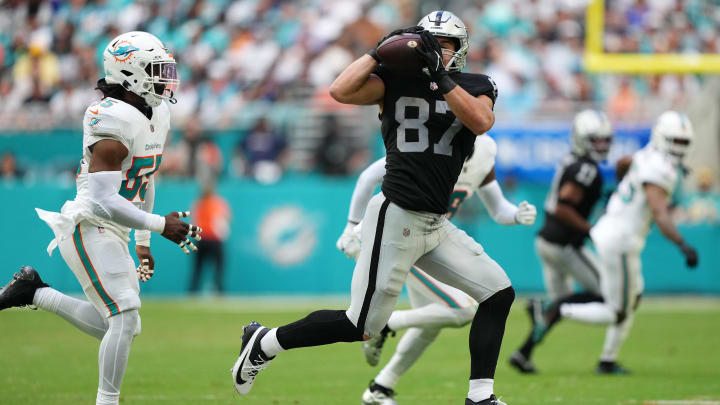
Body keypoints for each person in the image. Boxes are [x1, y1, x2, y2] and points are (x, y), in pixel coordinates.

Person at [230, 11, 511, 405]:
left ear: (460, 49)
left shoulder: (477, 85)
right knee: (360, 325)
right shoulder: (395, 80)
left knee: (498, 293)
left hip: (435, 222)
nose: (437, 51)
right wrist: (377, 53)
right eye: (430, 43)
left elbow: (481, 121)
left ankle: (480, 396)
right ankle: (266, 342)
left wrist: (440, 76)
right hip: (396, 215)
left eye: (445, 44)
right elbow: (339, 91)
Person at [0, 31, 201, 405]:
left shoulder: (156, 111)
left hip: (117, 229)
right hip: (88, 223)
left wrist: (143, 243)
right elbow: (104, 199)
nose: (166, 80)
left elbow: (146, 176)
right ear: (130, 73)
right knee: (124, 315)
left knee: (126, 323)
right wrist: (159, 224)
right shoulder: (110, 117)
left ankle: (35, 292)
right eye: (157, 71)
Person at [335, 134, 537, 405]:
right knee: (461, 308)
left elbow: (497, 207)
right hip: (402, 237)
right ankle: (386, 325)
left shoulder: (485, 150)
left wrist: (514, 215)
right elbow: (368, 177)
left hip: (433, 240)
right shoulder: (434, 139)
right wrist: (351, 225)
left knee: (429, 324)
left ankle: (380, 388)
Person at [522, 111, 699, 374]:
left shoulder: (647, 154)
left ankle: (606, 358)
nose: (679, 147)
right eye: (675, 141)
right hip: (613, 241)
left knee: (632, 298)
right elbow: (660, 213)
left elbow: (625, 164)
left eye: (684, 143)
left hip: (606, 234)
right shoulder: (656, 167)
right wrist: (682, 243)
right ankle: (556, 310)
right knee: (616, 310)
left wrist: (623, 191)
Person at [509, 110, 613, 373]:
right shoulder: (586, 169)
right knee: (606, 293)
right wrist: (591, 230)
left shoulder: (573, 161)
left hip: (548, 241)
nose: (601, 145)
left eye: (604, 140)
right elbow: (563, 207)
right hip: (564, 244)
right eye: (595, 140)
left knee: (556, 311)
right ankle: (542, 307)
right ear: (582, 139)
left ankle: (523, 354)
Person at [189, 183, 231, 294]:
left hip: (203, 239)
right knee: (216, 268)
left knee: (199, 269)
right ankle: (218, 290)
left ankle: (194, 291)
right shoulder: (217, 203)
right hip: (212, 239)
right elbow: (225, 218)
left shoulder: (200, 203)